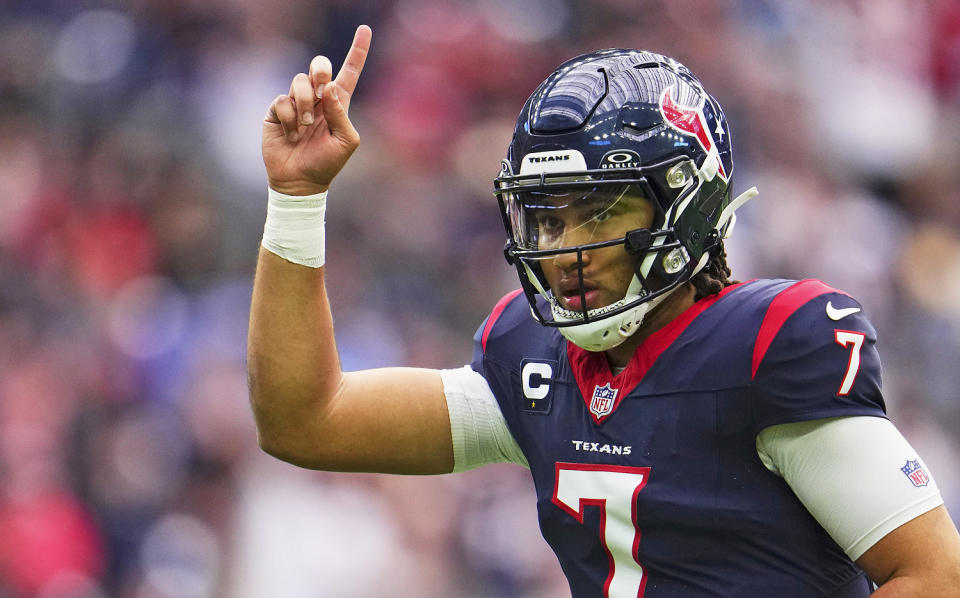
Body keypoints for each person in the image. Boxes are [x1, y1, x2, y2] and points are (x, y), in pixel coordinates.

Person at [248, 24, 960, 597]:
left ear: (686, 206)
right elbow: (307, 422)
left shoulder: (769, 347)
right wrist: (298, 201)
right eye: (548, 219)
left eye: (598, 212)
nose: (564, 250)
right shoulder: (531, 361)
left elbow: (933, 574)